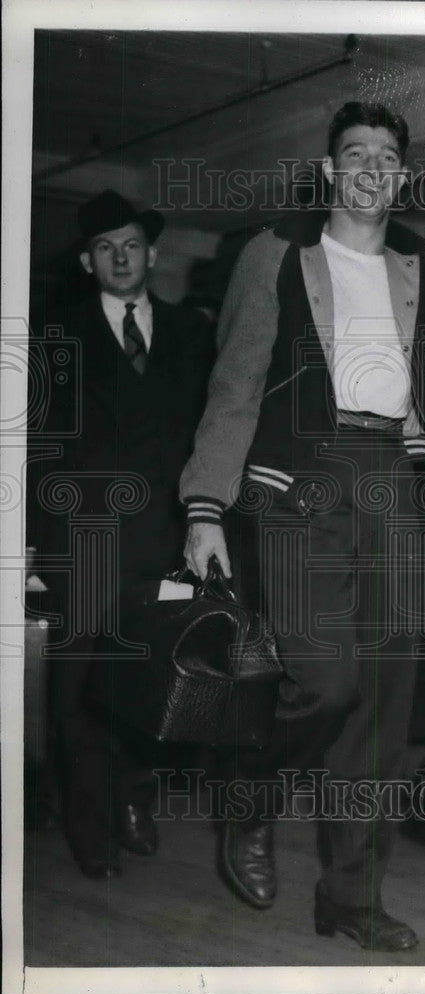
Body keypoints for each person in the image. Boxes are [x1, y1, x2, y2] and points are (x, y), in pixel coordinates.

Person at [180, 94, 425, 950]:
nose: (370, 170)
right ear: (330, 169)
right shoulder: (275, 255)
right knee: (325, 685)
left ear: (402, 175)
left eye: (386, 158)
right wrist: (204, 506)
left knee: (384, 715)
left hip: (394, 483)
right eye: (355, 154)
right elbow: (235, 388)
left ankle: (351, 897)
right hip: (298, 488)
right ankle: (252, 791)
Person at [29, 190, 215, 878]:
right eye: (105, 248)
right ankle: (91, 827)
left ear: (153, 255)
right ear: (86, 261)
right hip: (84, 540)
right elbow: (39, 449)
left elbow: (209, 437)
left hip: (165, 543)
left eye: (131, 245)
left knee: (150, 675)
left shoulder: (193, 334)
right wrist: (36, 552)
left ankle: (136, 795)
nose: (120, 257)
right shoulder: (58, 337)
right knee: (80, 684)